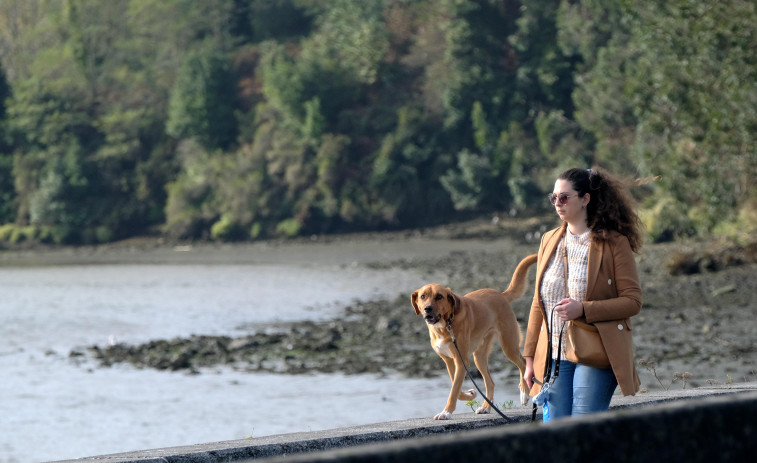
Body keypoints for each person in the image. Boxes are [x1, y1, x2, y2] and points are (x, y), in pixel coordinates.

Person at [523, 167, 643, 419]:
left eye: (564, 197)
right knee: (555, 432)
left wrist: (584, 309)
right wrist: (529, 358)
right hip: (554, 353)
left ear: (585, 198)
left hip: (596, 349)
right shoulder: (549, 239)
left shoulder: (614, 243)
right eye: (553, 197)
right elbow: (538, 304)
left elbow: (632, 301)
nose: (557, 203)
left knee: (582, 429)